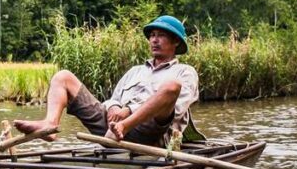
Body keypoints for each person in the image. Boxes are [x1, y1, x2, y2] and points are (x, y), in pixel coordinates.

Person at [14, 15, 199, 146]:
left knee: (171, 86)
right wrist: (114, 107)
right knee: (63, 77)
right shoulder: (136, 71)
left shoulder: (184, 72)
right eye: (152, 35)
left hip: (151, 133)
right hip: (111, 128)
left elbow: (176, 110)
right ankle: (50, 124)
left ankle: (123, 128)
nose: (154, 40)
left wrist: (128, 113)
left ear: (175, 41)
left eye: (161, 35)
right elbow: (114, 98)